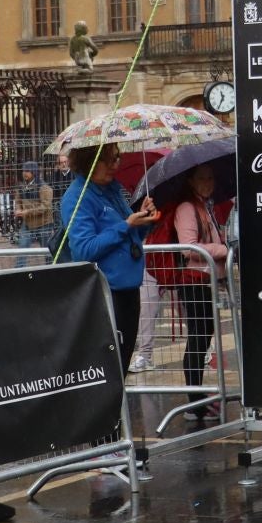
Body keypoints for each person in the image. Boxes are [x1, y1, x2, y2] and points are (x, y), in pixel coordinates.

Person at [62, 143, 161, 371]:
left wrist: (144, 220)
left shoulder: (113, 191)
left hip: (128, 290)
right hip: (106, 294)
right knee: (109, 367)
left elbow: (132, 235)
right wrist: (126, 225)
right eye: (108, 159)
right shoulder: (78, 197)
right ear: (90, 161)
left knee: (122, 364)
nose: (115, 165)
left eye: (117, 157)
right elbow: (85, 249)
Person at [168, 164, 229, 424]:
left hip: (206, 281)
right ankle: (194, 402)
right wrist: (222, 249)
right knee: (198, 339)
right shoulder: (187, 208)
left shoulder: (206, 206)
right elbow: (189, 248)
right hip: (193, 281)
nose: (208, 182)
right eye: (202, 178)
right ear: (191, 181)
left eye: (211, 177)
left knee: (203, 338)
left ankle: (198, 396)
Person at [13, 160, 55, 263]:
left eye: (27, 171)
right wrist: (18, 209)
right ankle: (19, 273)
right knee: (22, 249)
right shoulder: (21, 186)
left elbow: (45, 206)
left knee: (48, 251)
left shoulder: (44, 187)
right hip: (27, 224)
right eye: (23, 170)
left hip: (43, 224)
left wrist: (27, 212)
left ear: (34, 172)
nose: (24, 173)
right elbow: (18, 200)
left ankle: (52, 270)